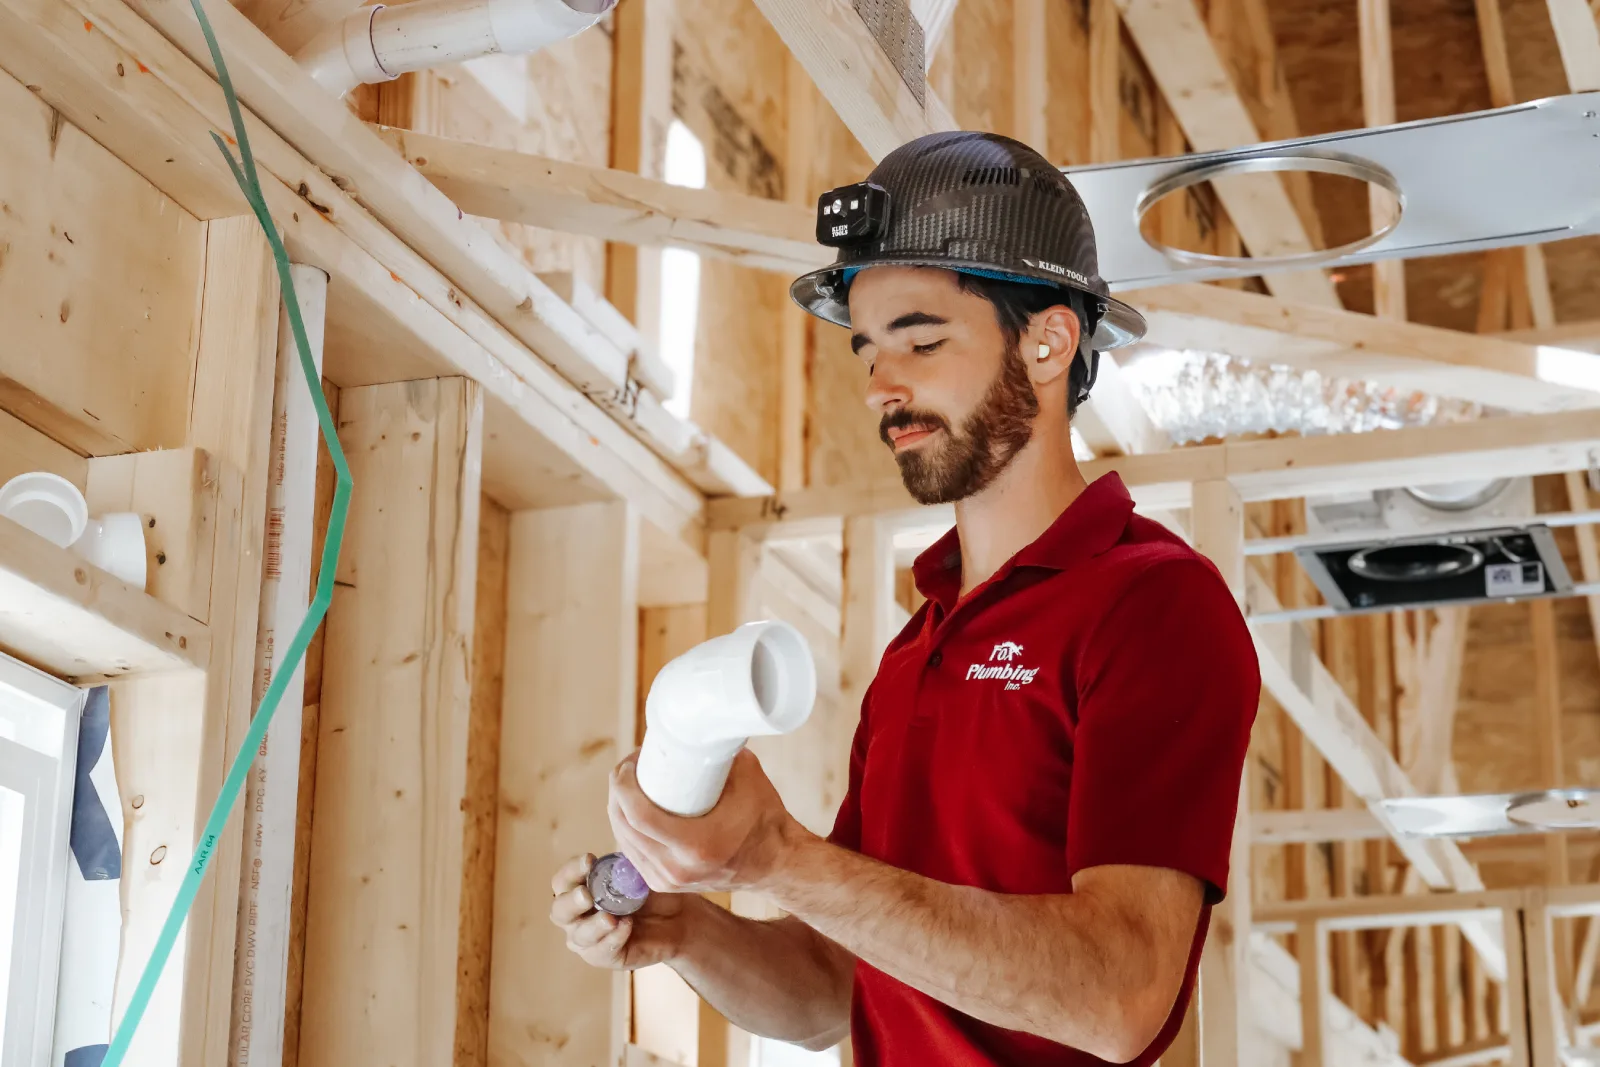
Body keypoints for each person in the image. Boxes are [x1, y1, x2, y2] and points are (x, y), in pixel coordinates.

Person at [549, 131, 1260, 1066]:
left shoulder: (1155, 606)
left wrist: (780, 858)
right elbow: (836, 991)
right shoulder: (914, 650)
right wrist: (689, 932)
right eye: (868, 352)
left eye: (921, 340)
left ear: (1049, 340)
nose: (884, 386)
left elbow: (1119, 995)